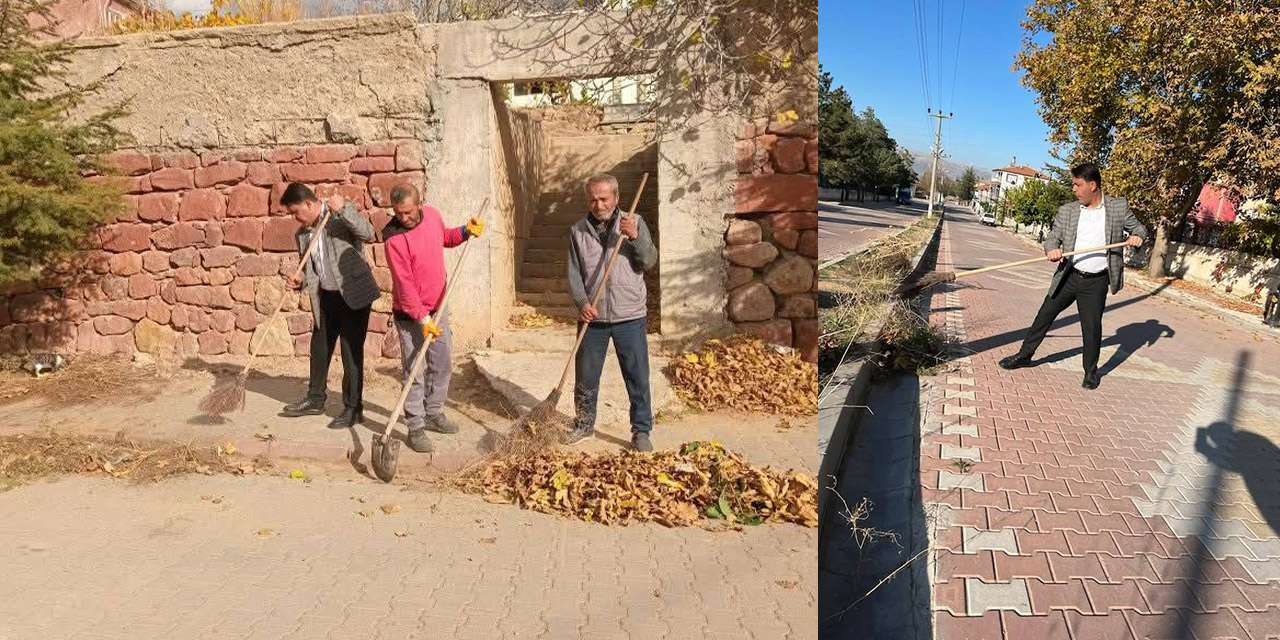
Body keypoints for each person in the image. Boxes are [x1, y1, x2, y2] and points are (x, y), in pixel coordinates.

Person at [998, 163, 1148, 390]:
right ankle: (1024, 355)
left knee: (1091, 328)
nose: (1074, 190)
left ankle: (1090, 372)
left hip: (1096, 281)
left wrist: (1137, 236)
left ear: (1093, 185)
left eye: (1077, 185)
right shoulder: (1068, 211)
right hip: (1069, 275)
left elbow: (1140, 228)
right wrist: (1051, 249)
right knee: (1044, 316)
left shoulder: (1117, 208)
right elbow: (1052, 238)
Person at [381, 183, 484, 454]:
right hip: (411, 314)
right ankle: (415, 426)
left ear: (419, 203)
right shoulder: (393, 239)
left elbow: (445, 238)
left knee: (443, 362)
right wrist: (422, 319)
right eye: (398, 213)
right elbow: (404, 286)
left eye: (408, 212)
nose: (404, 218)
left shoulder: (433, 215)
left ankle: (434, 412)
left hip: (440, 306)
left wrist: (464, 231)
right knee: (415, 369)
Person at [563, 173, 659, 452]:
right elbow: (573, 275)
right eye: (593, 199)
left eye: (604, 198)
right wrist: (582, 303)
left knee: (637, 375)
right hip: (593, 317)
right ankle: (583, 423)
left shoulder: (634, 222)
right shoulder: (577, 231)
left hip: (630, 314)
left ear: (615, 198)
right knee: (586, 375)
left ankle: (641, 431)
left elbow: (649, 261)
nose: (599, 204)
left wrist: (636, 237)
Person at [279, 183, 380, 428]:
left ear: (309, 204)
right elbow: (313, 269)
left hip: (352, 294)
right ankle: (315, 399)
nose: (295, 218)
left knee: (350, 353)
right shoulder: (303, 234)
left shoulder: (338, 216)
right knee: (319, 348)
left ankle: (353, 409)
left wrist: (344, 209)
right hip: (326, 296)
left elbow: (368, 233)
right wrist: (301, 280)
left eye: (296, 212)